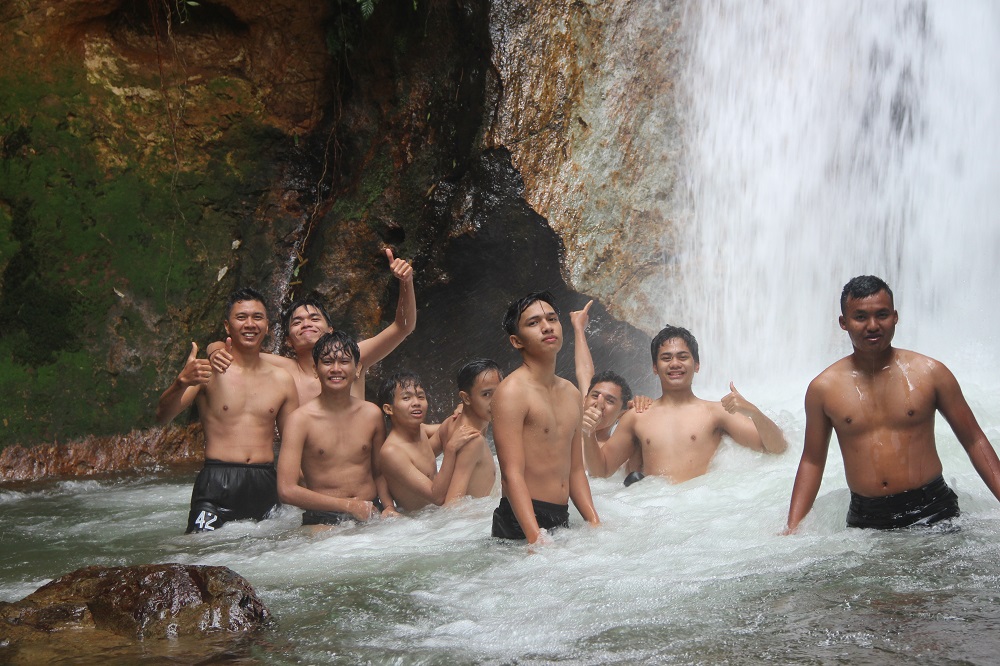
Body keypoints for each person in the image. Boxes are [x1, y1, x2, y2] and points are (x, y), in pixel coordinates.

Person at [785, 275, 1000, 532]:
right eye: (861, 317)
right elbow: (812, 461)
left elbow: (974, 440)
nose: (873, 325)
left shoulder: (931, 373)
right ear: (843, 322)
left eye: (882, 315)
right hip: (867, 519)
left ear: (895, 317)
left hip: (933, 510)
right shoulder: (823, 389)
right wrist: (792, 528)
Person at [156, 287, 299, 533]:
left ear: (267, 325)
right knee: (199, 555)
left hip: (264, 481)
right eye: (241, 317)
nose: (250, 324)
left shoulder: (282, 380)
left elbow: (293, 444)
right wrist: (181, 382)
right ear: (227, 325)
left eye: (257, 317)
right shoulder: (207, 371)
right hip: (216, 482)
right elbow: (162, 417)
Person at [207, 248, 416, 403]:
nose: (306, 324)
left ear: (330, 331)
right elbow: (228, 349)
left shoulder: (352, 356)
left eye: (315, 319)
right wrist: (214, 351)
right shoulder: (283, 369)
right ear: (287, 341)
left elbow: (403, 327)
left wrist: (406, 282)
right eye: (297, 322)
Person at [584, 325, 786, 484]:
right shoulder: (637, 416)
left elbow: (777, 449)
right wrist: (589, 433)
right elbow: (602, 471)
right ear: (655, 368)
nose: (674, 364)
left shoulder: (716, 413)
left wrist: (754, 412)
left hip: (699, 511)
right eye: (666, 358)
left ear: (696, 365)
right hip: (653, 513)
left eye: (683, 357)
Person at [491, 291, 600, 544]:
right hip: (521, 521)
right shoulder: (511, 392)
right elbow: (511, 473)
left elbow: (575, 470)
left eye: (552, 319)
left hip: (561, 517)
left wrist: (594, 521)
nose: (546, 327)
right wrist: (533, 536)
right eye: (533, 322)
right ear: (517, 341)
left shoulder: (571, 393)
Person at [276, 331, 399, 527]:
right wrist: (349, 506)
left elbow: (379, 473)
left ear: (357, 368)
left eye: (343, 361)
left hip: (371, 512)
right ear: (315, 369)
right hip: (323, 519)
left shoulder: (372, 414)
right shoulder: (299, 420)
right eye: (327, 362)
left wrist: (389, 507)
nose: (336, 369)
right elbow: (286, 490)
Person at [377, 371, 480, 512]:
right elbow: (436, 497)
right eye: (406, 398)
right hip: (422, 524)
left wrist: (464, 409)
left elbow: (457, 427)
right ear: (389, 409)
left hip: (437, 515)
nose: (416, 403)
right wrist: (450, 449)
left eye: (421, 397)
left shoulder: (422, 431)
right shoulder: (392, 452)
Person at [569, 299, 647, 485]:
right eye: (595, 396)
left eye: (610, 401)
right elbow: (584, 371)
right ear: (585, 399)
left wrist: (645, 407)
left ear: (622, 413)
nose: (599, 403)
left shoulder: (620, 454)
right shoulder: (567, 437)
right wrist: (579, 328)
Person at [433, 358, 502, 501]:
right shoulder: (472, 441)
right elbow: (452, 506)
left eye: (499, 391)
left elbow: (422, 458)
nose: (495, 401)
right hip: (476, 520)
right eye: (486, 394)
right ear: (466, 398)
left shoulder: (450, 423)